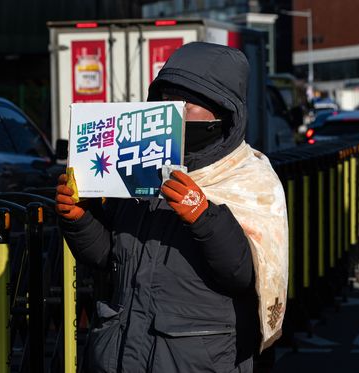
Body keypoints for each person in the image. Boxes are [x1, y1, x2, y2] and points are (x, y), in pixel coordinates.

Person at [55, 42, 288, 372]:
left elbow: (241, 274)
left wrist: (203, 215)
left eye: (188, 104)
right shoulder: (139, 165)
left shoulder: (248, 177)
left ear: (223, 113)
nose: (174, 110)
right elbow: (109, 258)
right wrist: (80, 219)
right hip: (119, 353)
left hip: (195, 360)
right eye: (166, 100)